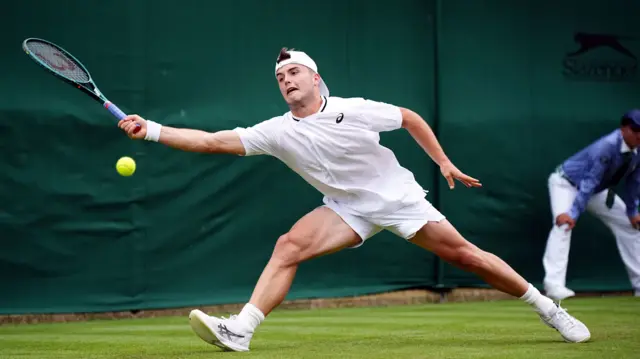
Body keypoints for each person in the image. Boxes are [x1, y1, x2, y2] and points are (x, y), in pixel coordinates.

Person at [118, 48, 591, 351]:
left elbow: (409, 118)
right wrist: (154, 130)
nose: (287, 79)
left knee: (469, 257)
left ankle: (549, 309)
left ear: (317, 79)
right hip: (346, 208)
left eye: (295, 71)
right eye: (281, 76)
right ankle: (240, 330)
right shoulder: (276, 132)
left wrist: (443, 162)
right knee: (288, 245)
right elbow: (210, 141)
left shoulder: (354, 110)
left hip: (397, 198)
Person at [542, 111, 640, 301]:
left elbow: (634, 181)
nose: (639, 135)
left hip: (597, 190)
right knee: (564, 224)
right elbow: (589, 182)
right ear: (623, 129)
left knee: (631, 226)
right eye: (635, 130)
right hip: (567, 184)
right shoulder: (607, 147)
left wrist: (632, 211)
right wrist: (573, 213)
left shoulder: (638, 150)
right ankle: (554, 286)